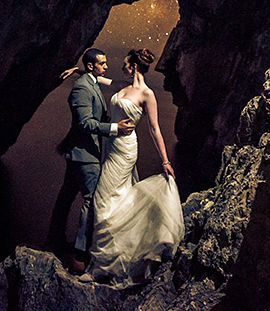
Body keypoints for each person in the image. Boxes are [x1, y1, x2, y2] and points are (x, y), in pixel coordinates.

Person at [64, 48, 185, 285]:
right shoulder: (121, 84)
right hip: (111, 147)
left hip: (126, 149)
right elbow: (95, 77)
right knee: (116, 198)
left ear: (135, 66)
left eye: (126, 64)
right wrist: (78, 71)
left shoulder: (147, 94)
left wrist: (165, 161)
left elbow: (154, 128)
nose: (122, 67)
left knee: (102, 199)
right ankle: (111, 254)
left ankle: (100, 267)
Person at [48, 47, 136, 274]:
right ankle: (79, 255)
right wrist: (115, 128)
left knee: (66, 196)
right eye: (102, 63)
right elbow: (85, 123)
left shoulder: (90, 81)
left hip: (81, 153)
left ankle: (54, 240)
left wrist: (78, 70)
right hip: (84, 154)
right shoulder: (82, 88)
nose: (106, 67)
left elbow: (106, 89)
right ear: (91, 66)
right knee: (90, 201)